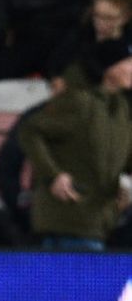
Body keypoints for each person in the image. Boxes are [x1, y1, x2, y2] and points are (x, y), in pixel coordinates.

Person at [19, 37, 132, 250]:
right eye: (129, 62)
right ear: (110, 68)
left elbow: (123, 155)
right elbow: (30, 131)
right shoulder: (80, 102)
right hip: (68, 219)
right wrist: (54, 175)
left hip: (98, 221)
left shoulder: (121, 109)